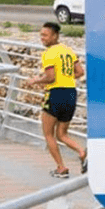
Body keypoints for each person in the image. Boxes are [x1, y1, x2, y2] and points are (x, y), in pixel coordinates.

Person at [29, 21, 87, 177]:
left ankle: (61, 168)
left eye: (45, 35)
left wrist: (35, 80)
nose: (42, 38)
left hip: (55, 94)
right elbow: (80, 72)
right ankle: (81, 152)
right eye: (41, 35)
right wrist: (65, 77)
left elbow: (50, 77)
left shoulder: (48, 53)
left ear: (55, 36)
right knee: (62, 134)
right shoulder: (68, 50)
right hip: (70, 93)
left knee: (48, 134)